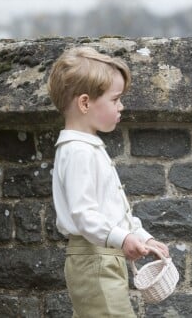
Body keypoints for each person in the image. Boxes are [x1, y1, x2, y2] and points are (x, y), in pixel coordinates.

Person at [48, 46, 170, 317]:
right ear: (85, 103)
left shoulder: (87, 147)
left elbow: (110, 210)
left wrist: (141, 237)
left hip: (101, 255)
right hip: (93, 257)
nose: (121, 106)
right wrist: (124, 238)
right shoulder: (78, 151)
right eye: (115, 99)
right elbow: (85, 215)